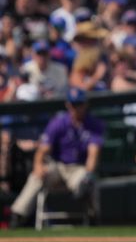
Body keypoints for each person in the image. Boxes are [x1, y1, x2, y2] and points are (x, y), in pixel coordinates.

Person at [9, 88, 104, 228]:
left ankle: (93, 217)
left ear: (85, 104)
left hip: (78, 169)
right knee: (36, 176)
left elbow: (93, 154)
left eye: (78, 104)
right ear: (67, 105)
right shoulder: (59, 122)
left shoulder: (94, 124)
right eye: (72, 104)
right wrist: (38, 166)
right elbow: (42, 150)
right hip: (58, 166)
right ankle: (18, 215)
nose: (75, 108)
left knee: (89, 181)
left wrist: (88, 175)